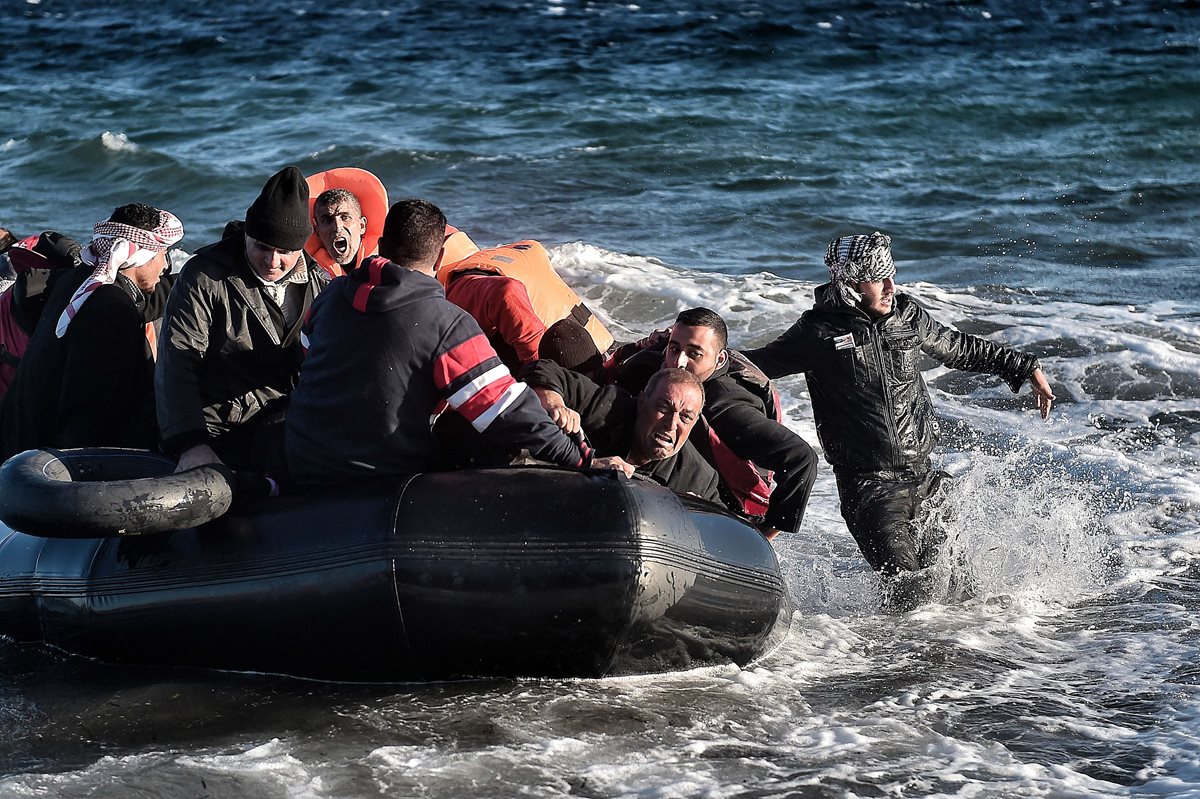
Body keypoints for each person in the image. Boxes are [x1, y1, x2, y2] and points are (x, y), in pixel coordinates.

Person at [742, 232, 1055, 602]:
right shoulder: (817, 333)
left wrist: (1023, 366)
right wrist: (681, 357)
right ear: (851, 282)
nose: (891, 286)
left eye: (892, 274)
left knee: (964, 595)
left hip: (927, 479)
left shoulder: (906, 315)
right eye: (879, 278)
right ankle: (885, 660)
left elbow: (959, 348)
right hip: (870, 490)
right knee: (912, 602)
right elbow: (751, 365)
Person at [284, 199, 631, 486]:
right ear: (438, 259)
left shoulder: (327, 300)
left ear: (382, 246)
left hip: (302, 464)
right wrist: (583, 459)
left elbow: (306, 359)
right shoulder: (446, 324)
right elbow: (505, 411)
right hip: (378, 480)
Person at [156, 166, 328, 472]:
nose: (272, 261)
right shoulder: (203, 276)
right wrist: (190, 443)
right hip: (216, 427)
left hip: (285, 423)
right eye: (262, 246)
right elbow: (177, 361)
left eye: (285, 251)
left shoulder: (321, 282)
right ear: (247, 234)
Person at [608, 308, 819, 540]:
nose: (678, 362)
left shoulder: (726, 407)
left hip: (726, 506)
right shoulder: (658, 363)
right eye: (674, 348)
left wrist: (766, 535)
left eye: (694, 354)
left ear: (719, 360)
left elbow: (801, 458)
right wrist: (640, 345)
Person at [0, 204, 182, 458]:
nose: (164, 266)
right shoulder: (111, 311)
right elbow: (89, 409)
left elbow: (145, 299)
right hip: (52, 465)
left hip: (18, 444)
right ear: (139, 257)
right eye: (163, 253)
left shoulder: (74, 282)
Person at [522, 359, 722, 504]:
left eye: (685, 417)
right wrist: (554, 403)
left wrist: (698, 515)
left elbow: (726, 529)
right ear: (642, 402)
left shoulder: (699, 479)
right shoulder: (610, 407)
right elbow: (542, 370)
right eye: (663, 408)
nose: (671, 424)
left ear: (694, 423)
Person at [311, 188, 367, 272]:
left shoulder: (387, 271)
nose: (337, 227)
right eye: (327, 220)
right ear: (317, 231)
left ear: (362, 226)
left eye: (345, 217)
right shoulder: (307, 277)